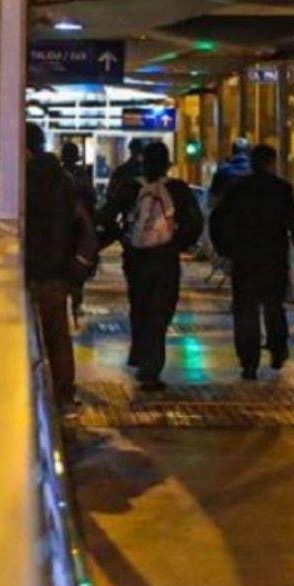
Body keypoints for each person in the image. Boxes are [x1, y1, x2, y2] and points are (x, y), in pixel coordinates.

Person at [98, 141, 204, 392]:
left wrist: (123, 237)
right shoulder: (178, 190)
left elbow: (105, 216)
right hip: (165, 259)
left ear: (143, 163)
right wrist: (178, 243)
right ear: (167, 164)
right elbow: (195, 222)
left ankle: (142, 357)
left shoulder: (131, 188)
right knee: (162, 310)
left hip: (136, 258)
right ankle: (152, 367)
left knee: (141, 306)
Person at [209, 144, 294, 379]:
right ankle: (277, 349)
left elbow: (217, 218)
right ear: (272, 163)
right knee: (274, 307)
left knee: (246, 310)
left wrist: (224, 249)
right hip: (274, 258)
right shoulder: (281, 189)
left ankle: (248, 361)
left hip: (244, 258)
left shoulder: (237, 189)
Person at [24, 123, 98, 407]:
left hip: (30, 270)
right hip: (59, 271)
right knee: (58, 334)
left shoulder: (23, 180)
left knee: (27, 337)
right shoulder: (64, 180)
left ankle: (32, 396)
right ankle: (64, 393)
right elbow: (82, 223)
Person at [59, 141, 98, 322]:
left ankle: (68, 299)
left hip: (62, 229)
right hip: (79, 229)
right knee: (79, 268)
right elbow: (92, 199)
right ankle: (75, 301)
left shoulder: (57, 175)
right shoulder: (82, 175)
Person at [208, 137, 254, 207]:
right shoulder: (254, 170)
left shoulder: (223, 170)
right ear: (249, 152)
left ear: (233, 151)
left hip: (228, 213)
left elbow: (213, 199)